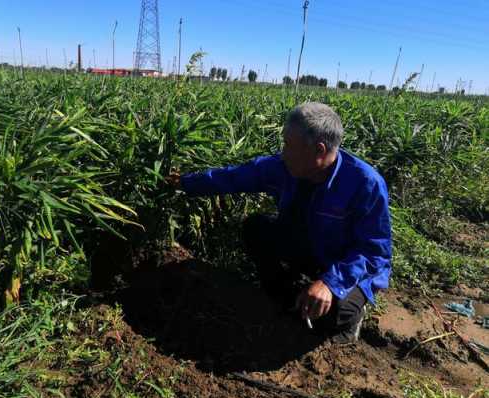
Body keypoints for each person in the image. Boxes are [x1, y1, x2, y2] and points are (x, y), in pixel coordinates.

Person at [167, 102, 392, 344]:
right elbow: (233, 177)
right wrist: (185, 183)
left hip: (346, 265)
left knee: (334, 313)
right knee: (256, 228)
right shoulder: (282, 167)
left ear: (319, 149)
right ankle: (291, 296)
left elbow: (373, 251)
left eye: (288, 145)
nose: (283, 152)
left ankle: (350, 314)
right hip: (308, 245)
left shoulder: (365, 183)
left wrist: (330, 283)